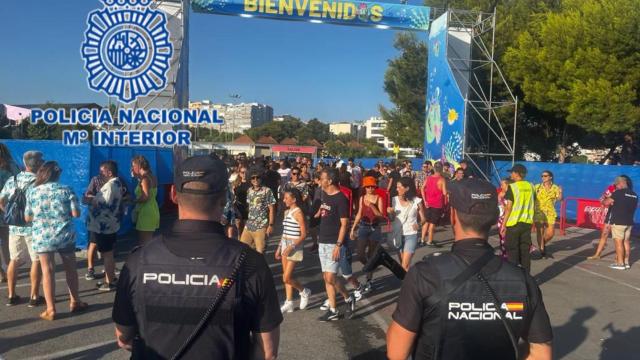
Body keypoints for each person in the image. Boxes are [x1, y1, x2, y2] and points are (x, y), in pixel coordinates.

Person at [112, 155, 282, 359]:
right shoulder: (250, 263)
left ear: (174, 194)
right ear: (224, 199)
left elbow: (123, 336)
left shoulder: (138, 261)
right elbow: (267, 352)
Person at [387, 178, 553, 360]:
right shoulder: (522, 279)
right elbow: (541, 352)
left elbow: (397, 352)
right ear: (492, 220)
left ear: (453, 216)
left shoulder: (425, 274)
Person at [24, 161, 86, 320]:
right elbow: (76, 214)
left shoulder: (32, 192)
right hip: (64, 236)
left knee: (47, 271)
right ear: (57, 174)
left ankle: (51, 309)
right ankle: (75, 301)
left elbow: (27, 217)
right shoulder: (66, 190)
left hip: (42, 236)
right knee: (70, 269)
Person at [0, 151, 44, 307]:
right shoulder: (39, 182)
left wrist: (10, 215)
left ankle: (11, 295)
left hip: (14, 227)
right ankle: (34, 296)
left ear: (25, 163)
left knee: (14, 260)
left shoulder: (13, 179)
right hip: (34, 228)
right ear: (38, 164)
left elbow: (1, 200)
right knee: (36, 260)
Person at [316, 168, 356, 321]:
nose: (319, 181)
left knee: (331, 277)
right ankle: (333, 310)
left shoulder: (340, 199)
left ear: (330, 181)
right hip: (323, 241)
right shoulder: (324, 194)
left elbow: (344, 224)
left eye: (322, 178)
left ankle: (348, 297)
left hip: (334, 243)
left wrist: (339, 245)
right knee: (326, 278)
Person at [83, 163, 130, 281]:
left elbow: (104, 203)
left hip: (104, 225)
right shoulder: (116, 182)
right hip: (109, 223)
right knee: (104, 250)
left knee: (107, 253)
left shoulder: (111, 185)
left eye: (102, 172)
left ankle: (110, 281)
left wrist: (88, 200)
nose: (100, 174)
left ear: (109, 173)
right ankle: (107, 275)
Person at [276, 188, 312, 313]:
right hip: (285, 244)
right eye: (284, 198)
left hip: (294, 246)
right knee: (286, 274)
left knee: (286, 277)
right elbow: (284, 232)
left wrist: (291, 246)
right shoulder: (287, 212)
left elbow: (303, 234)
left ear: (294, 199)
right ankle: (289, 302)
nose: (284, 200)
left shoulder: (298, 213)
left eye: (286, 198)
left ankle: (304, 291)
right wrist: (279, 247)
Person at [350, 176, 384, 290]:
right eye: (368, 186)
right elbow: (359, 214)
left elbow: (380, 215)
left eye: (372, 186)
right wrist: (353, 228)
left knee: (371, 254)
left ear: (375, 187)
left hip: (375, 228)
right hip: (364, 227)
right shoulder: (362, 198)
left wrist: (371, 205)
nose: (370, 189)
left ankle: (369, 280)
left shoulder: (379, 198)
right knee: (360, 254)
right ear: (364, 187)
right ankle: (369, 267)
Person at [500, 164, 536, 273]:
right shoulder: (531, 186)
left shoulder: (513, 187)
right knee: (525, 252)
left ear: (517, 173)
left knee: (512, 251)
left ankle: (514, 276)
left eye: (512, 172)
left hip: (513, 223)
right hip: (526, 223)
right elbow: (534, 204)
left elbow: (509, 207)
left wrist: (503, 224)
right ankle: (526, 277)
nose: (511, 174)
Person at [389, 178, 426, 271]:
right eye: (396, 187)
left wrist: (419, 224)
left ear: (407, 188)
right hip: (398, 235)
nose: (396, 189)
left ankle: (407, 284)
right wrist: (391, 213)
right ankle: (409, 282)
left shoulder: (417, 201)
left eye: (399, 187)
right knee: (404, 265)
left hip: (411, 235)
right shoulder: (394, 200)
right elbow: (391, 219)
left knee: (404, 265)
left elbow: (424, 219)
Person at [240, 167, 275, 254]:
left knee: (260, 253)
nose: (255, 179)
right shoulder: (249, 190)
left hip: (261, 226)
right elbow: (250, 207)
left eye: (257, 177)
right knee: (242, 250)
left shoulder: (267, 191)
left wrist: (271, 225)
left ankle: (261, 268)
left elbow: (272, 208)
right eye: (253, 177)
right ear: (250, 179)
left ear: (261, 178)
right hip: (249, 226)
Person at [605, 176, 638, 270]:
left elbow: (607, 203)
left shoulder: (617, 193)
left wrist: (604, 199)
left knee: (618, 242)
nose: (616, 187)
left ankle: (620, 264)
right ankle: (626, 262)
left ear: (621, 183)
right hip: (629, 222)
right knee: (626, 242)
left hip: (618, 221)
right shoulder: (634, 194)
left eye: (616, 185)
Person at [0, 143, 20, 284]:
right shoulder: (12, 165)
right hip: (6, 206)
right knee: (6, 240)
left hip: (5, 205)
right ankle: (9, 268)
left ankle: (1, 273)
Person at [131, 155, 159, 245]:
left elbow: (145, 196)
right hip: (152, 209)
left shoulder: (144, 178)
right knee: (147, 241)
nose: (132, 168)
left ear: (138, 166)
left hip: (146, 212)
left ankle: (145, 259)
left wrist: (133, 201)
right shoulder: (151, 176)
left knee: (144, 243)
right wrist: (137, 177)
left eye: (133, 165)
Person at [533, 170, 562, 258]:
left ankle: (542, 244)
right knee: (540, 231)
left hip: (550, 212)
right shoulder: (537, 187)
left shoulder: (555, 187)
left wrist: (560, 192)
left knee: (550, 233)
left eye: (545, 176)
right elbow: (531, 198)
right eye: (542, 176)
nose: (543, 178)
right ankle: (542, 250)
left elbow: (560, 199)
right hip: (539, 212)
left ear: (550, 177)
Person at [421, 162, 447, 247]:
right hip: (437, 204)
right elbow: (444, 193)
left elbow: (422, 188)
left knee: (427, 222)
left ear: (434, 168)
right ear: (442, 168)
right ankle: (430, 241)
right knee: (432, 223)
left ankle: (422, 240)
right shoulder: (442, 179)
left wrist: (424, 200)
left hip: (428, 203)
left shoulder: (428, 178)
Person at [498, 178, 514, 259]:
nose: (501, 186)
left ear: (508, 185)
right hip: (501, 217)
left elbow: (510, 208)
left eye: (502, 184)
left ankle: (509, 253)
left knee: (507, 235)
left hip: (509, 217)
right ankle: (504, 253)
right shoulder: (500, 193)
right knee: (501, 235)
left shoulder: (511, 194)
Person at [232, 165, 250, 236]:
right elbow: (232, 196)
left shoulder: (251, 183)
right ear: (239, 173)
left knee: (246, 228)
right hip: (238, 207)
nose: (244, 174)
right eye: (242, 172)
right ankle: (239, 242)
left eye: (246, 172)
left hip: (248, 207)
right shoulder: (235, 184)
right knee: (238, 227)